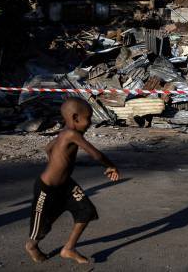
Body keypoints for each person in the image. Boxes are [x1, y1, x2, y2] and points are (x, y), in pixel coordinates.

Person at [25, 97, 120, 264]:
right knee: (42, 226)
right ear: (75, 118)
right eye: (88, 119)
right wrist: (110, 166)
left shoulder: (65, 133)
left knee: (86, 211)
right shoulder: (71, 134)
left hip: (66, 185)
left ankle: (68, 248)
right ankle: (32, 246)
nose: (90, 122)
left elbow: (48, 148)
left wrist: (57, 163)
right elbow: (95, 154)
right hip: (47, 188)